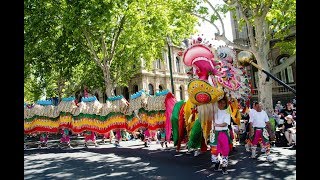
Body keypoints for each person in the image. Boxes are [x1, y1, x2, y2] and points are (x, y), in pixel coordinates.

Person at [209, 96, 232, 175]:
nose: (222, 104)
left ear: (225, 104)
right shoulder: (214, 111)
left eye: (223, 103)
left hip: (223, 133)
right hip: (215, 133)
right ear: (217, 103)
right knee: (214, 151)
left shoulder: (227, 112)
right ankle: (217, 162)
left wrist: (216, 124)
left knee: (225, 151)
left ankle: (224, 168)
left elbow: (225, 123)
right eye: (220, 102)